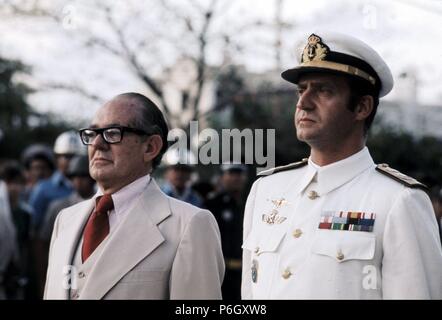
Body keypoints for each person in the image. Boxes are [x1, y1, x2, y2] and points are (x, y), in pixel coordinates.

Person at [241, 32, 442, 299]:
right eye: (302, 90)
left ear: (362, 107)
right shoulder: (266, 190)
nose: (303, 102)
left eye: (323, 90)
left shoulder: (400, 201)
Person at [44, 92, 224, 300]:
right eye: (92, 134)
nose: (97, 144)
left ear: (150, 147)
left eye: (113, 133)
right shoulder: (65, 220)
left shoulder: (189, 224)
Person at [205, 162, 247, 300]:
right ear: (222, 177)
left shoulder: (249, 201)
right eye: (231, 174)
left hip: (245, 271)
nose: (236, 178)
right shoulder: (212, 204)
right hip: (220, 271)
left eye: (239, 174)